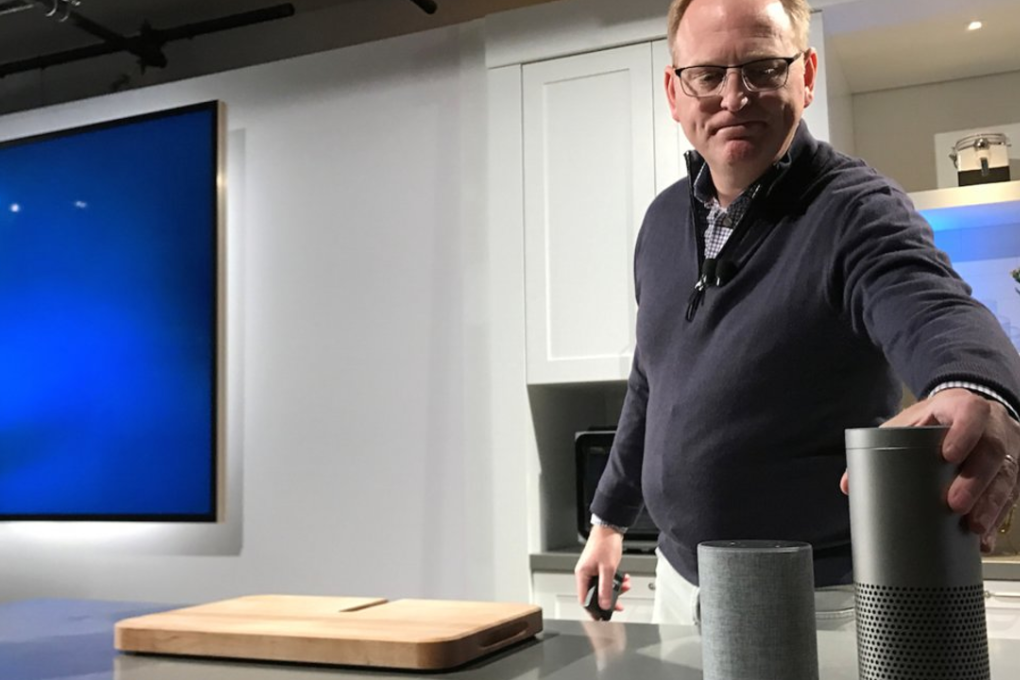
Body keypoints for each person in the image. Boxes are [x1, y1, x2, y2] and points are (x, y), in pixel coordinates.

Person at [574, 0, 1020, 627]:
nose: (735, 96)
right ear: (675, 92)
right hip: (679, 584)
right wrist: (608, 522)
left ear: (806, 76)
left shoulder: (856, 210)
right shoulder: (660, 222)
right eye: (708, 75)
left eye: (762, 68)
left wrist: (977, 383)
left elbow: (934, 308)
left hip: (813, 599)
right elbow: (650, 382)